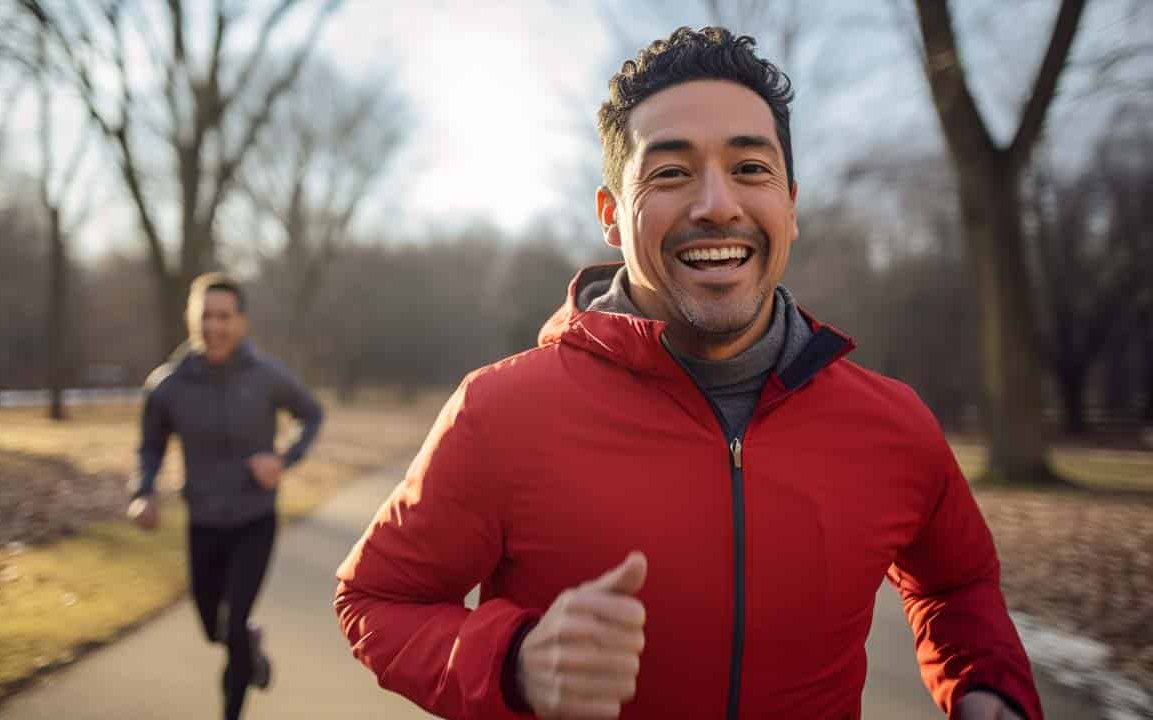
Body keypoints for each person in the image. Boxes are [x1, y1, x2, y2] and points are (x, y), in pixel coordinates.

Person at [333, 27, 1042, 720]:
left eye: (750, 169)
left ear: (790, 206)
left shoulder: (892, 423)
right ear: (612, 214)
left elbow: (958, 583)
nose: (717, 205)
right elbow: (375, 601)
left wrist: (988, 687)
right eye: (671, 172)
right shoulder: (500, 411)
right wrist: (513, 662)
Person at [128, 272, 324, 720]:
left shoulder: (266, 376)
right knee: (213, 629)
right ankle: (248, 648)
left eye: (224, 317)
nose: (215, 326)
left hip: (254, 519)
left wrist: (283, 459)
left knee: (233, 622)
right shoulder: (168, 385)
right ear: (191, 319)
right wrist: (144, 492)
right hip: (203, 522)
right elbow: (151, 445)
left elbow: (311, 414)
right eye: (206, 316)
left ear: (242, 322)